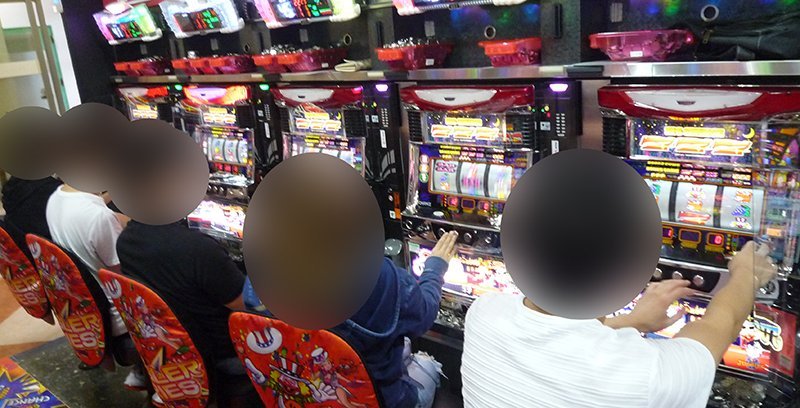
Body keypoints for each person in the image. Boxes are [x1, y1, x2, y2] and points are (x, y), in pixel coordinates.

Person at [461, 240, 777, 408]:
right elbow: (722, 323)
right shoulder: (648, 375)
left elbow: (554, 340)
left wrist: (631, 321)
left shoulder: (484, 311)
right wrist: (747, 273)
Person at [115, 220, 254, 405]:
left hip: (168, 347)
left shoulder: (126, 239)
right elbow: (246, 303)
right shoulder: (199, 248)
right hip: (223, 353)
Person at [332, 231, 459, 408]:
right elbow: (425, 315)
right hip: (387, 401)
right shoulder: (377, 274)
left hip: (319, 392)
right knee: (428, 363)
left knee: (402, 342)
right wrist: (434, 269)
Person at [45, 182, 143, 387]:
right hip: (121, 317)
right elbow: (126, 275)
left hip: (88, 311)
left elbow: (92, 213)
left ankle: (143, 372)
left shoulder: (56, 198)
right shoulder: (99, 217)